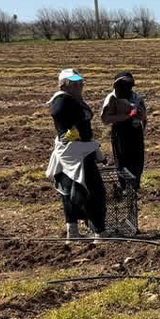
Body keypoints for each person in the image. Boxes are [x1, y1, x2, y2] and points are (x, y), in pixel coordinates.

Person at [45, 68, 106, 238]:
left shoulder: (72, 99)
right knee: (93, 190)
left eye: (80, 82)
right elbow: (58, 114)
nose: (79, 85)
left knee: (71, 190)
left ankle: (73, 231)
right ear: (64, 84)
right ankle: (99, 233)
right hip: (76, 153)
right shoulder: (63, 100)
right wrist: (70, 130)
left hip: (75, 150)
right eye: (74, 82)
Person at [100, 71, 147, 189]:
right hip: (120, 132)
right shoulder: (111, 99)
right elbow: (105, 119)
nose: (125, 88)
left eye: (128, 85)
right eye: (122, 85)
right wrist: (126, 117)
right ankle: (125, 187)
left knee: (137, 160)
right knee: (122, 160)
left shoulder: (136, 98)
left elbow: (144, 117)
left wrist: (139, 115)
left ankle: (135, 186)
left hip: (135, 131)